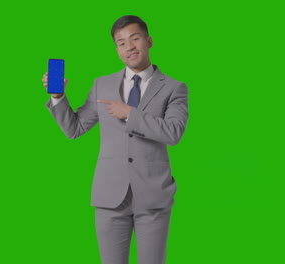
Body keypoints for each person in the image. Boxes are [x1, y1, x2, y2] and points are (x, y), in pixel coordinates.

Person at [42, 15, 188, 264]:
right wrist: (58, 97)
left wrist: (131, 114)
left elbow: (174, 132)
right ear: (117, 50)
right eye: (121, 43)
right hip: (110, 197)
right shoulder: (102, 84)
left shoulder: (174, 88)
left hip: (153, 198)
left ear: (149, 41)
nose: (129, 47)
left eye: (135, 38)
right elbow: (74, 129)